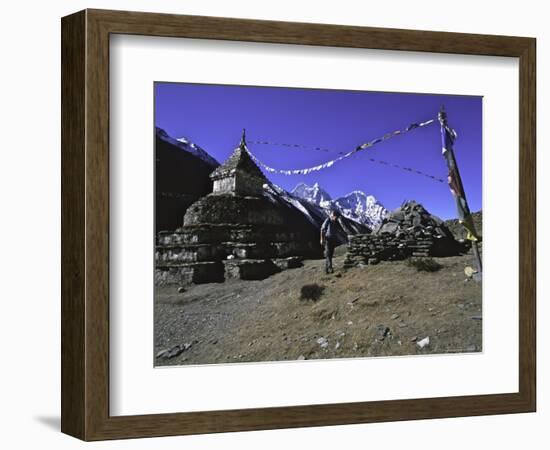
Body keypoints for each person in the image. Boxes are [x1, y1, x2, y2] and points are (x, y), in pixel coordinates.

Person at [320, 210, 349, 274]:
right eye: (336, 217)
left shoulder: (335, 221)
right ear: (332, 215)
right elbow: (322, 229)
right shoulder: (328, 220)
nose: (336, 218)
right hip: (328, 239)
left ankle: (327, 269)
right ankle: (330, 268)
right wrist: (322, 239)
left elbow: (340, 229)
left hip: (333, 239)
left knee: (330, 254)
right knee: (328, 254)